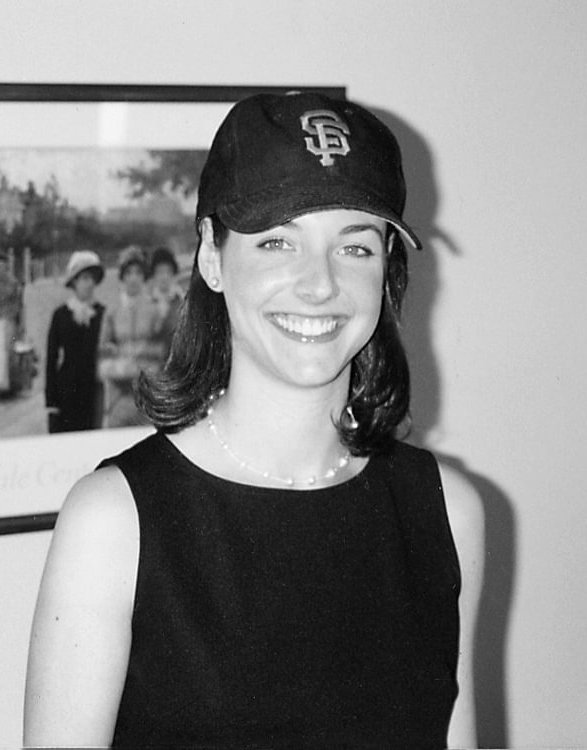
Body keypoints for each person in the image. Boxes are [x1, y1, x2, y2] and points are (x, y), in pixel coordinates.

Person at [24, 92, 484, 749]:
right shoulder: (114, 521)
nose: (319, 284)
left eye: (355, 248)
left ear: (388, 269)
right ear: (212, 256)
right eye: (277, 242)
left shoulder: (447, 512)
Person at [97, 244, 163, 427]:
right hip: (118, 394)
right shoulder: (112, 311)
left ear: (144, 277)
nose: (133, 278)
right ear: (122, 276)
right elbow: (103, 351)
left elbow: (162, 352)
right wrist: (118, 366)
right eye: (128, 273)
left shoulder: (154, 310)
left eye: (138, 273)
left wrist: (144, 369)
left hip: (147, 394)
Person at [45, 250, 106, 432]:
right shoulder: (61, 315)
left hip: (92, 391)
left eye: (93, 279)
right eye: (85, 278)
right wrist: (51, 401)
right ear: (74, 281)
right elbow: (51, 358)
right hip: (66, 391)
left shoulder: (102, 313)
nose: (90, 284)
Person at [0, 253, 23, 392]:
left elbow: (18, 304)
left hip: (8, 319)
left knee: (5, 350)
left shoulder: (13, 283)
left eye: (3, 267)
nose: (1, 270)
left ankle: (5, 383)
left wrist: (16, 319)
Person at [149, 245, 183, 362]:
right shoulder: (147, 302)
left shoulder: (183, 302)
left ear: (173, 274)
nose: (164, 277)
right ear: (153, 275)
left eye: (168, 272)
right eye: (160, 272)